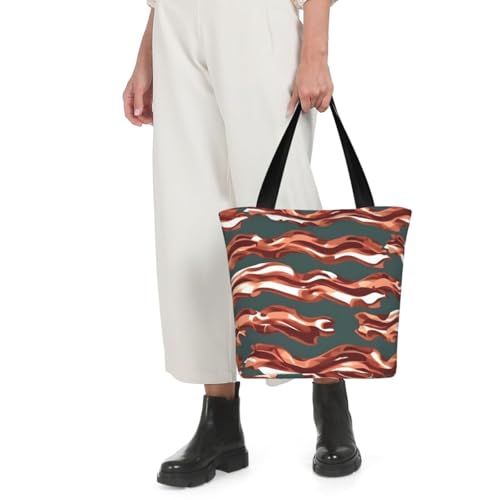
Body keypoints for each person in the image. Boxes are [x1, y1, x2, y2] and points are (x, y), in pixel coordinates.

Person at [123, 0, 361, 486]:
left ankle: (331, 400)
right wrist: (147, 50)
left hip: (255, 17)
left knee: (286, 217)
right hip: (176, 23)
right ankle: (221, 422)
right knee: (191, 221)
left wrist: (315, 51)